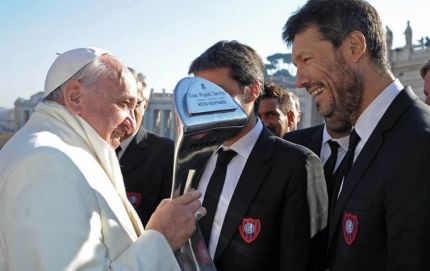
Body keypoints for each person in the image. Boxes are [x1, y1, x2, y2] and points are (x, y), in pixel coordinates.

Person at [0, 47, 205, 270]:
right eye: (123, 104)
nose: (130, 123)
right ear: (75, 96)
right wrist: (161, 238)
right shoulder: (47, 164)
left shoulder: (58, 150)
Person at [283, 1, 430, 270]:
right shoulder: (361, 139)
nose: (299, 80)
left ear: (354, 47)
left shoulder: (419, 145)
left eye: (306, 60)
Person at [188, 40, 327, 271]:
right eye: (201, 94)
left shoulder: (296, 165)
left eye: (219, 93)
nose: (207, 105)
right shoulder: (191, 159)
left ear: (253, 90)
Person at [117, 67, 174, 227]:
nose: (126, 112)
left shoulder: (166, 154)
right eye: (119, 103)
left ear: (145, 105)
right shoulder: (89, 147)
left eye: (134, 103)